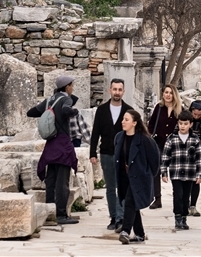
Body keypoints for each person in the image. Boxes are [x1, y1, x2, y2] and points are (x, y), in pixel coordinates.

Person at [26, 74, 79, 225]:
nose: (73, 88)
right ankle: (61, 215)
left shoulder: (49, 100)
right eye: (71, 85)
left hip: (51, 144)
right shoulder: (66, 99)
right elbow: (66, 109)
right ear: (67, 86)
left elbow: (31, 112)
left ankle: (49, 212)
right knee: (62, 181)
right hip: (62, 144)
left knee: (51, 179)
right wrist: (73, 112)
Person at [90, 78, 135, 231]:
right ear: (110, 90)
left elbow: (133, 133)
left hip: (124, 155)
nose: (117, 92)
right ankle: (113, 216)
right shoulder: (101, 110)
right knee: (110, 187)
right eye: (114, 89)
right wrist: (92, 153)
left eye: (119, 90)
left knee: (122, 186)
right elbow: (95, 133)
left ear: (124, 91)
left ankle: (121, 218)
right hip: (106, 153)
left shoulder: (129, 111)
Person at [113, 109, 160, 244]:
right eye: (123, 119)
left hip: (140, 178)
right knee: (133, 204)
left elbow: (155, 161)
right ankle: (139, 234)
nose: (123, 122)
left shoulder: (145, 140)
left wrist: (147, 175)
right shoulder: (119, 137)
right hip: (125, 178)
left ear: (134, 123)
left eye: (126, 120)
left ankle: (125, 231)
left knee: (130, 201)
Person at [161, 111, 201, 230]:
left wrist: (200, 174)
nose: (183, 126)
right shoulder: (172, 138)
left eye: (185, 124)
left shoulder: (195, 139)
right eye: (181, 123)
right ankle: (178, 217)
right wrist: (164, 172)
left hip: (190, 173)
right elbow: (165, 155)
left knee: (186, 196)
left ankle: (184, 217)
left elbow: (199, 158)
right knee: (178, 194)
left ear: (190, 124)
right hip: (176, 172)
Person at [147, 85, 183, 209]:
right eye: (166, 92)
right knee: (156, 171)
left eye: (171, 93)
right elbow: (151, 124)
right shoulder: (159, 107)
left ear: (174, 95)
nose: (168, 95)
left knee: (175, 171)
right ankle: (157, 198)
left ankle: (179, 197)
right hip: (159, 142)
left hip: (174, 145)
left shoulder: (180, 109)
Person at [187, 100, 201, 217]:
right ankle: (185, 204)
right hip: (185, 155)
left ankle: (193, 205)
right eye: (194, 114)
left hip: (198, 156)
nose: (196, 117)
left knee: (196, 181)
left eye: (198, 115)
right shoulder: (185, 121)